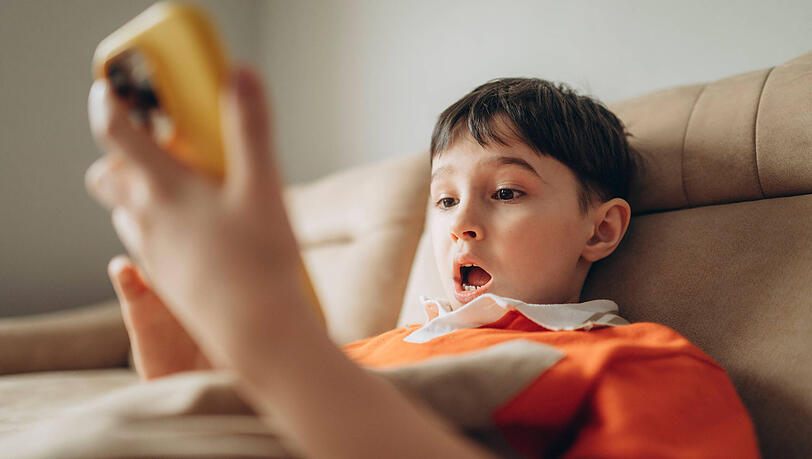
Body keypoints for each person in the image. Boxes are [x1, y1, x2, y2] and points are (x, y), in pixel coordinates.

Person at [85, 68, 759, 458]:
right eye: (443, 198)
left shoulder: (645, 361)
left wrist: (270, 335)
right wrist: (181, 377)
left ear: (601, 227)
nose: (463, 220)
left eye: (505, 192)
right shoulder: (374, 350)